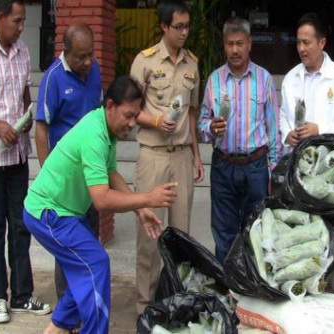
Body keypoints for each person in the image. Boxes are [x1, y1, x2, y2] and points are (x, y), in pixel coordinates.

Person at [23, 76, 178, 334]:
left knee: (85, 271)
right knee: (96, 265)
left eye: (136, 116)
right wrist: (148, 197)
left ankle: (56, 329)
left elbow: (111, 174)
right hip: (47, 213)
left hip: (65, 213)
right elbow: (102, 199)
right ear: (110, 106)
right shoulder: (94, 135)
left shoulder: (107, 129)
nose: (132, 123)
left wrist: (140, 210)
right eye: (128, 115)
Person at [129, 0, 204, 314]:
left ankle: (176, 299)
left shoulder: (192, 65)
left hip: (182, 158)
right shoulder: (144, 62)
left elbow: (191, 114)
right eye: (178, 26)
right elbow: (130, 111)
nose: (184, 32)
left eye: (187, 26)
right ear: (164, 26)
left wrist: (197, 156)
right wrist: (157, 121)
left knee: (181, 235)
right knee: (150, 236)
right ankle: (145, 305)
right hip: (154, 157)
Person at [198, 17, 282, 263]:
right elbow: (202, 124)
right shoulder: (214, 80)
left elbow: (273, 127)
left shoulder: (264, 79)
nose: (234, 50)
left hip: (255, 167)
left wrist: (273, 171)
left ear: (249, 44)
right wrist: (211, 128)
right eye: (229, 44)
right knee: (223, 233)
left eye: (239, 44)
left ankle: (252, 290)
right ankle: (227, 290)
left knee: (256, 230)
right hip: (223, 166)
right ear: (224, 45)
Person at [0, 0, 51, 324]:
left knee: (21, 225)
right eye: (16, 21)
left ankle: (23, 296)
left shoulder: (23, 52)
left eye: (23, 21)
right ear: (0, 19)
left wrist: (27, 117)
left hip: (17, 155)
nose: (20, 26)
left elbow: (25, 93)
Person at [35, 22, 102, 302]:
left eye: (91, 54)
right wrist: (48, 178)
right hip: (65, 182)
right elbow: (41, 128)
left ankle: (87, 298)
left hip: (91, 177)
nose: (88, 62)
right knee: (67, 245)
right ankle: (67, 306)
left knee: (89, 240)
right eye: (81, 57)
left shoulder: (95, 70)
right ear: (66, 52)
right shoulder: (53, 78)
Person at [280, 12, 334, 152]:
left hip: (330, 161)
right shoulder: (291, 78)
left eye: (306, 42)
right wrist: (287, 134)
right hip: (297, 160)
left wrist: (320, 130)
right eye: (298, 42)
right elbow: (283, 114)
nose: (301, 49)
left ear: (321, 43)